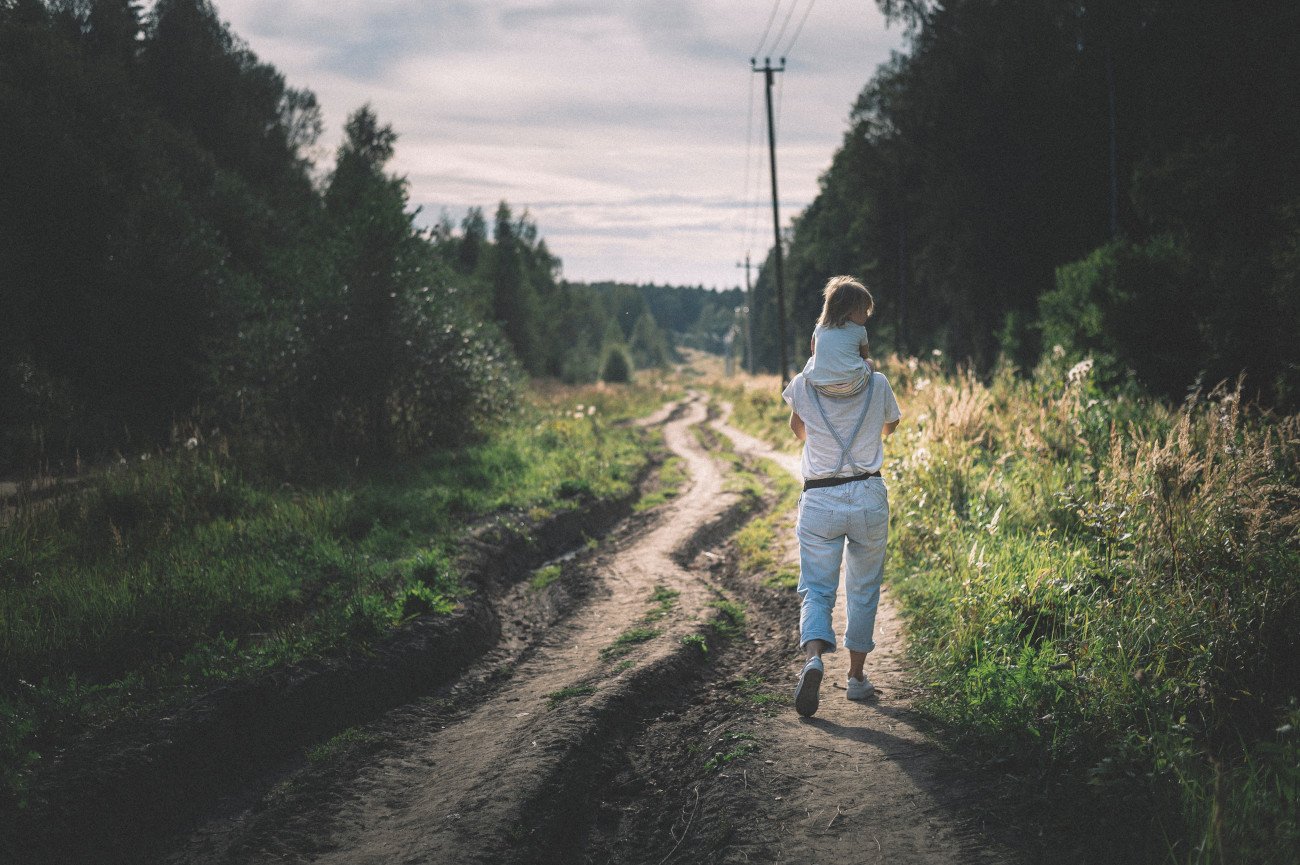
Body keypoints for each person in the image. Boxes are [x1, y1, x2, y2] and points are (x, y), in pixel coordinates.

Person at [782, 276, 901, 718]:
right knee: (864, 589)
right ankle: (855, 680)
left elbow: (797, 430)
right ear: (856, 329)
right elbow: (889, 427)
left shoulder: (804, 385)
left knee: (816, 588)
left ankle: (813, 658)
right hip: (868, 495)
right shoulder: (878, 383)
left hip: (820, 500)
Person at [800, 276, 874, 398]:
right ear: (850, 312)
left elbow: (814, 352)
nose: (867, 316)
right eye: (865, 311)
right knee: (869, 363)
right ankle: (866, 397)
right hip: (854, 385)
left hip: (822, 386)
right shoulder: (860, 330)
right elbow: (864, 355)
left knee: (812, 361)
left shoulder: (819, 328)